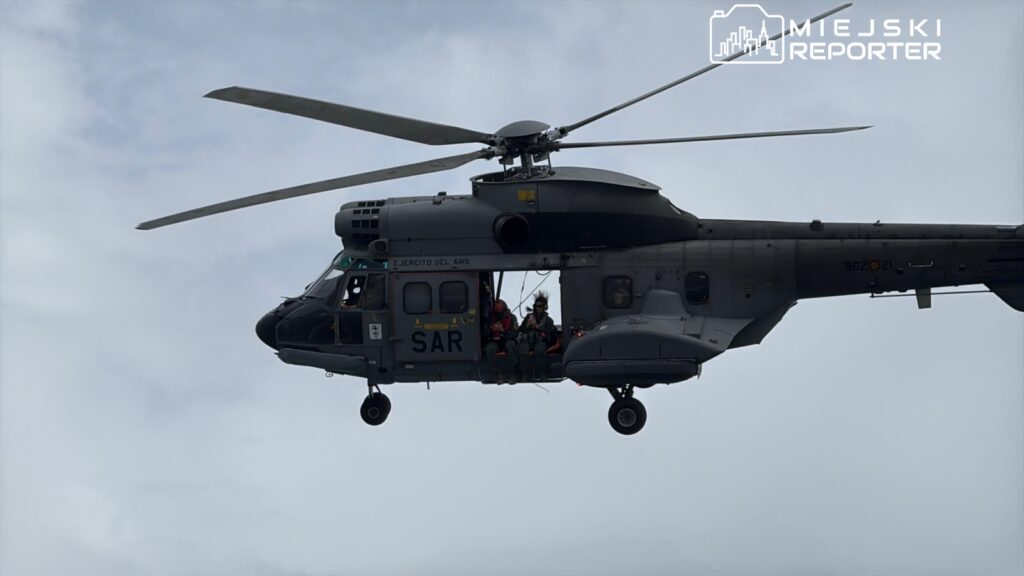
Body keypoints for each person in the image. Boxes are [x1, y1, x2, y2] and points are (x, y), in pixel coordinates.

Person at [518, 292, 558, 381]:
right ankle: (525, 373)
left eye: (539, 306)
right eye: (536, 306)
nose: (537, 308)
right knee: (522, 349)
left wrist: (537, 327)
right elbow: (521, 330)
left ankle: (542, 373)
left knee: (539, 350)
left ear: (544, 307)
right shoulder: (529, 317)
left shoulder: (548, 320)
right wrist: (527, 325)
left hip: (540, 341)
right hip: (528, 340)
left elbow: (549, 332)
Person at [483, 299, 518, 383]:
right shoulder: (489, 318)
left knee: (510, 347)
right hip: (494, 341)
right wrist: (492, 329)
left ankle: (511, 372)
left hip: (507, 340)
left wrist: (503, 331)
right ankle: (498, 372)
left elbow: (514, 333)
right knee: (489, 349)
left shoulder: (512, 318)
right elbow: (484, 332)